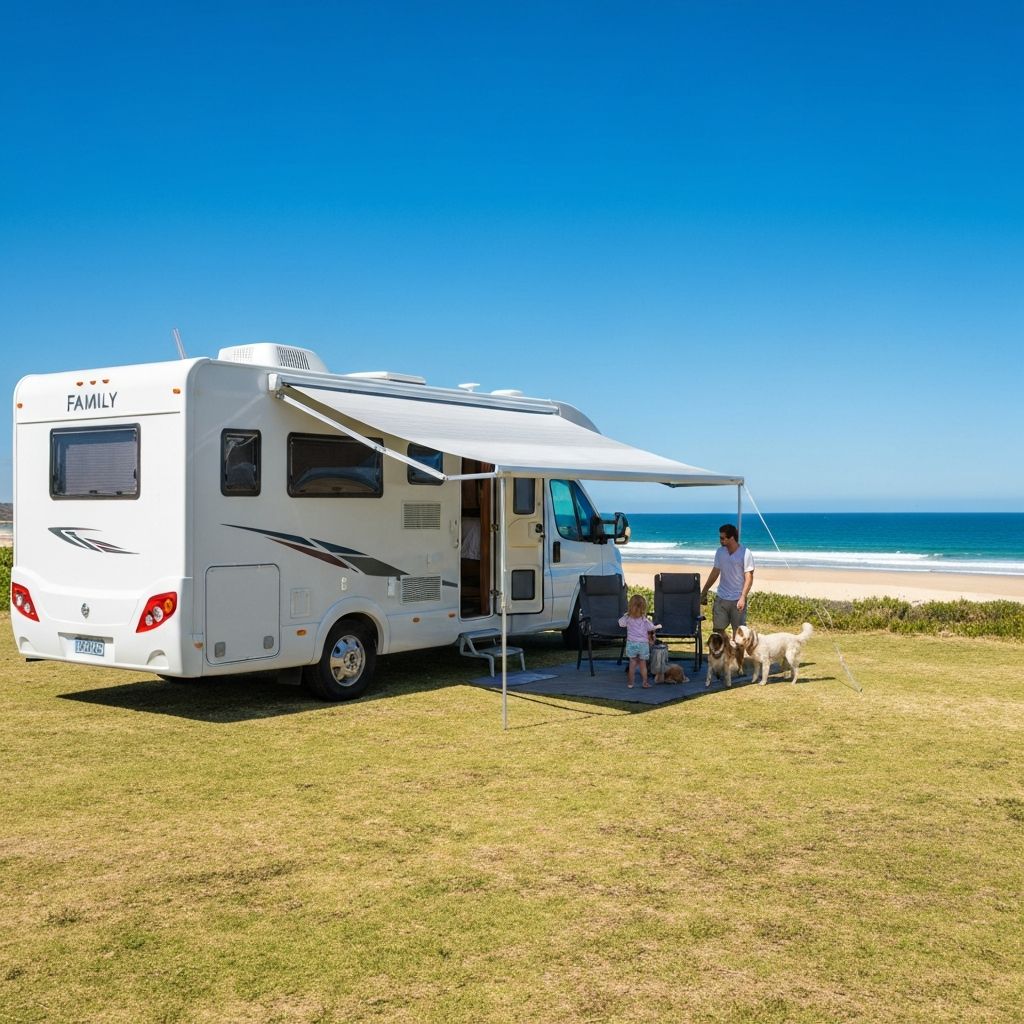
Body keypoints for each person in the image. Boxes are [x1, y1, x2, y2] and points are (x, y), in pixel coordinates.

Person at [700, 523, 754, 635]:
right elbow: (715, 572)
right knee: (718, 631)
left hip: (737, 599)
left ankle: (735, 651)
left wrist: (743, 597)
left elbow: (749, 577)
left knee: (739, 634)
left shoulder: (745, 553)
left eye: (722, 538)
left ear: (732, 538)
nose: (720, 540)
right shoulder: (720, 552)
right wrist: (704, 591)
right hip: (721, 597)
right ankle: (726, 649)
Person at [618, 594, 661, 688]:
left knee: (632, 663)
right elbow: (651, 627)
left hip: (631, 644)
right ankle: (645, 682)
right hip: (643, 645)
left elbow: (620, 623)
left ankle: (630, 683)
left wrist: (626, 615)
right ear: (643, 608)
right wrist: (657, 626)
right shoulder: (644, 620)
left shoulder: (627, 618)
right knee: (643, 664)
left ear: (630, 607)